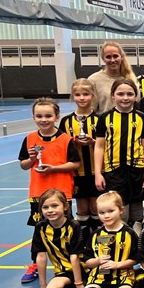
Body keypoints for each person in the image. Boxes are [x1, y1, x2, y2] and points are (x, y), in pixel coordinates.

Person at [20, 98, 81, 283]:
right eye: (39, 116)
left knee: (66, 230)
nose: (43, 119)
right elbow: (23, 165)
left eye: (48, 116)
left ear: (57, 117)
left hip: (61, 192)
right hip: (38, 193)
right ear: (33, 117)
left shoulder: (66, 139)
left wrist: (53, 169)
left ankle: (70, 264)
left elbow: (75, 163)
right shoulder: (30, 139)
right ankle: (35, 264)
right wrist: (32, 159)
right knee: (39, 231)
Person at [80, 191, 144, 288]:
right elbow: (87, 261)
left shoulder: (129, 234)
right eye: (102, 212)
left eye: (111, 211)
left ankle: (140, 279)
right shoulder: (95, 234)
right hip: (100, 277)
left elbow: (136, 259)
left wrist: (117, 265)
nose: (106, 216)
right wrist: (97, 261)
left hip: (122, 276)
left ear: (121, 210)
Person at [59, 79, 101, 238]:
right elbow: (61, 146)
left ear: (93, 95)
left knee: (96, 208)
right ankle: (83, 240)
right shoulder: (66, 121)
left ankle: (97, 240)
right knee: (82, 209)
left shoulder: (100, 119)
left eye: (86, 94)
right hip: (77, 173)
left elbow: (108, 145)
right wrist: (72, 144)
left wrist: (93, 142)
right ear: (72, 96)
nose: (82, 98)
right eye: (77, 94)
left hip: (97, 172)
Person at [28, 188, 84, 288]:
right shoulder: (40, 227)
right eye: (45, 207)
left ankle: (80, 282)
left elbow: (75, 257)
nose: (50, 210)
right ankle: (68, 285)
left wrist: (79, 285)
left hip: (82, 268)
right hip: (63, 272)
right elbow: (41, 256)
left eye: (55, 206)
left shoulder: (73, 226)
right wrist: (43, 287)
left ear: (65, 206)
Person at [90, 42, 137, 113]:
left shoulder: (131, 78)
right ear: (103, 59)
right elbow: (91, 109)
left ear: (121, 57)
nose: (112, 60)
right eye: (108, 57)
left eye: (115, 56)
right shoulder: (93, 80)